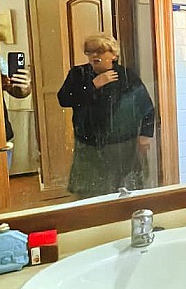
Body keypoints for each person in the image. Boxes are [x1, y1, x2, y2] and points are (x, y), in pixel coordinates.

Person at [57, 33, 155, 197]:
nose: (94, 56)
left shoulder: (127, 76)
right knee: (89, 195)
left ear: (114, 55)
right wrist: (93, 85)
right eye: (90, 52)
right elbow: (64, 99)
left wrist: (145, 135)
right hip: (89, 146)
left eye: (100, 51)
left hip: (123, 146)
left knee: (125, 193)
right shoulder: (78, 74)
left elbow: (146, 107)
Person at [0, 60, 32, 170]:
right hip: (1, 139)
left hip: (1, 139)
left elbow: (15, 90)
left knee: (1, 179)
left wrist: (24, 87)